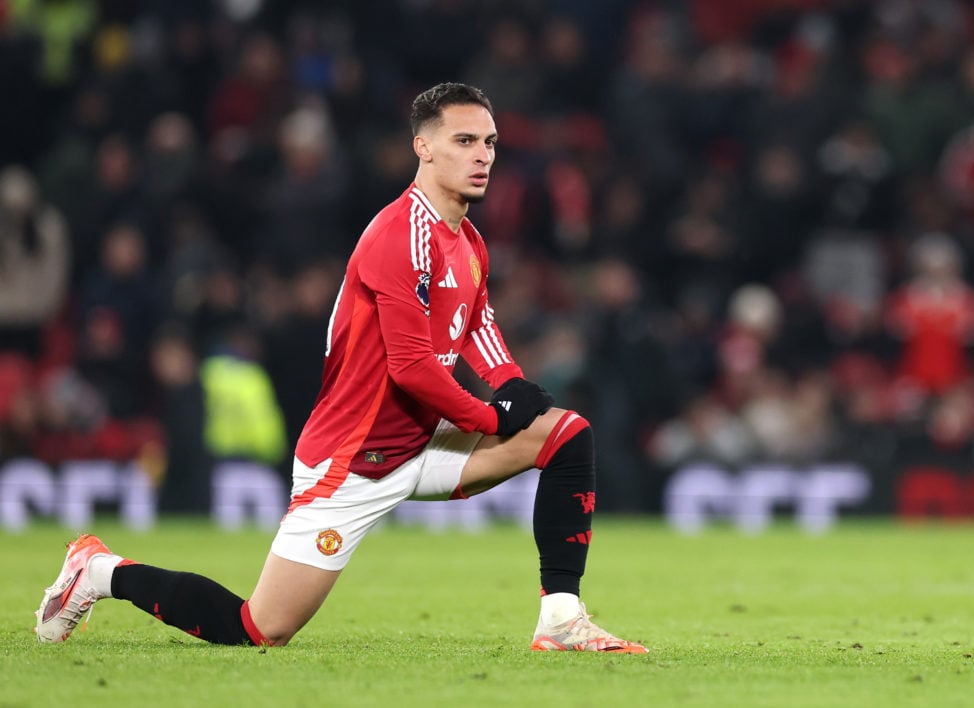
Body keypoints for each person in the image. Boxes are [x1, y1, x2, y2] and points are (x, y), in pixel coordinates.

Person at [34, 82, 648, 654]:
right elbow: (411, 368)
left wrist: (512, 383)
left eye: (489, 142)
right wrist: (491, 412)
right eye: (464, 141)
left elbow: (475, 325)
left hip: (421, 440)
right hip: (352, 461)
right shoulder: (397, 234)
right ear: (423, 147)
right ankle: (99, 570)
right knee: (259, 629)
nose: (482, 155)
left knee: (568, 435)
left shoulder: (468, 240)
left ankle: (560, 617)